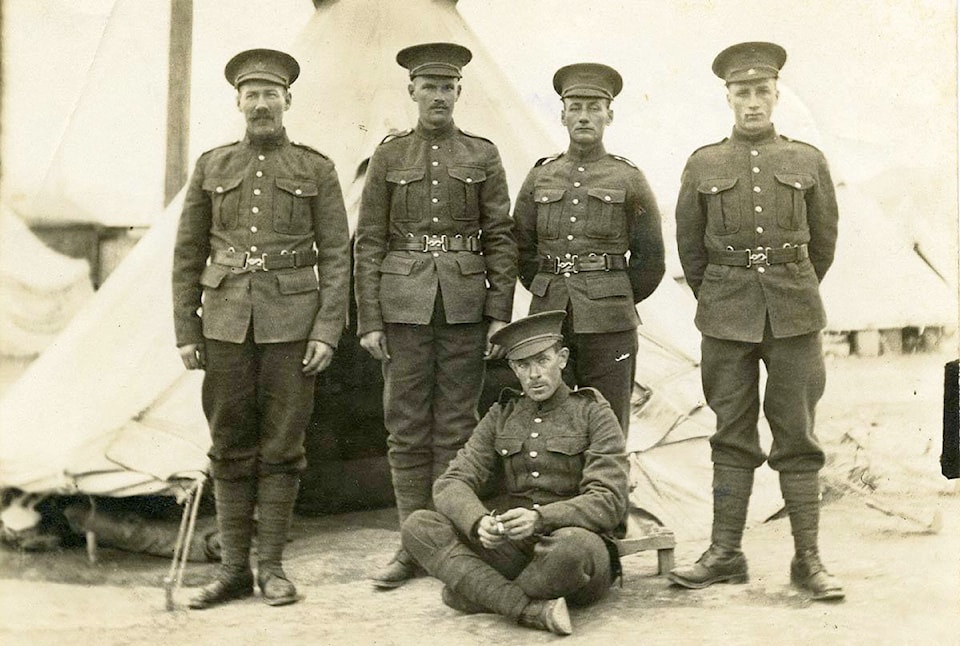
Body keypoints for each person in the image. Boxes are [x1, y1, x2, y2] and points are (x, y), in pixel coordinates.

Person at [172, 48, 350, 608]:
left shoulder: (315, 168)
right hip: (224, 322)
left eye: (271, 94)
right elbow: (186, 253)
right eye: (252, 95)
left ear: (287, 101)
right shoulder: (212, 165)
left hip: (293, 323)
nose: (261, 104)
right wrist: (186, 329)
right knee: (228, 442)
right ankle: (232, 572)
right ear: (239, 103)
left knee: (282, 444)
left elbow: (338, 254)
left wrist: (326, 329)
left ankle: (271, 568)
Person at [669, 42, 843, 600]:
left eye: (761, 91)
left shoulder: (807, 160)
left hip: (794, 313)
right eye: (741, 93)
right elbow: (690, 250)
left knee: (797, 435)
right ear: (728, 97)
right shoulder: (703, 163)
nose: (752, 102)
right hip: (725, 315)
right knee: (731, 433)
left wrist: (791, 284)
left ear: (776, 94)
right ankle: (725, 554)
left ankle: (808, 560)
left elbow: (824, 242)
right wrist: (720, 293)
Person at [354, 42, 517, 588]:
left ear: (458, 93)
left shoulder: (482, 154)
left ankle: (447, 542)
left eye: (448, 88)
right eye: (430, 87)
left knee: (456, 426)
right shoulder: (389, 155)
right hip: (402, 307)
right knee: (404, 427)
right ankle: (411, 544)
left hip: (466, 308)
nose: (439, 97)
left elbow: (500, 237)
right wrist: (370, 319)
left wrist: (499, 313)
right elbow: (369, 241)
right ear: (412, 92)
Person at [401, 310, 629, 636]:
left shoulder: (593, 412)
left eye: (542, 360)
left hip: (574, 545)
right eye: (523, 365)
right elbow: (452, 481)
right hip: (516, 549)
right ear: (513, 368)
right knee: (419, 527)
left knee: (571, 550)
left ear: (562, 359)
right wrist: (479, 521)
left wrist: (541, 518)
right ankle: (528, 608)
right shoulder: (503, 414)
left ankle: (479, 592)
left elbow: (609, 501)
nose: (534, 374)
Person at [512, 63, 665, 438]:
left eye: (594, 108)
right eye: (575, 107)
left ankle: (608, 495)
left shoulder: (628, 178)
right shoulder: (540, 176)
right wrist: (549, 287)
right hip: (549, 319)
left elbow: (651, 259)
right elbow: (522, 248)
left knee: (608, 421)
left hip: (610, 323)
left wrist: (612, 292)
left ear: (609, 115)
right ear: (562, 114)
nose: (584, 116)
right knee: (550, 421)